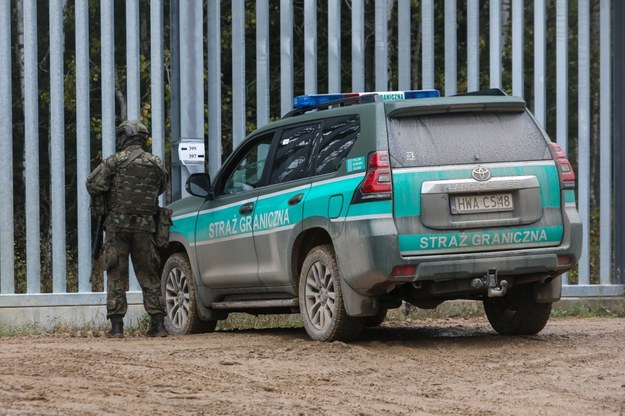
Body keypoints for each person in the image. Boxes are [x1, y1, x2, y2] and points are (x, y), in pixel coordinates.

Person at [86, 119, 168, 338]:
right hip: (146, 226)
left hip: (117, 226)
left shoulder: (115, 161)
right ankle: (159, 324)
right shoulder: (156, 163)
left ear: (124, 136)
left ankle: (117, 327)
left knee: (116, 274)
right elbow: (161, 188)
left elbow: (93, 185)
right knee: (149, 273)